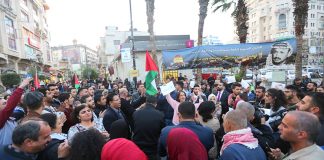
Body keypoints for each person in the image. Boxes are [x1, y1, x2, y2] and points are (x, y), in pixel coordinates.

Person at [133, 94, 165, 159]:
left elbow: (134, 128)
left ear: (145, 103)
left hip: (138, 145)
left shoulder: (136, 113)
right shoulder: (160, 115)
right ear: (155, 104)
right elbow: (161, 131)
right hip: (153, 146)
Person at [0, 78, 31, 146]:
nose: (8, 104)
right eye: (4, 103)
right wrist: (21, 86)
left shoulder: (9, 119)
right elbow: (9, 107)